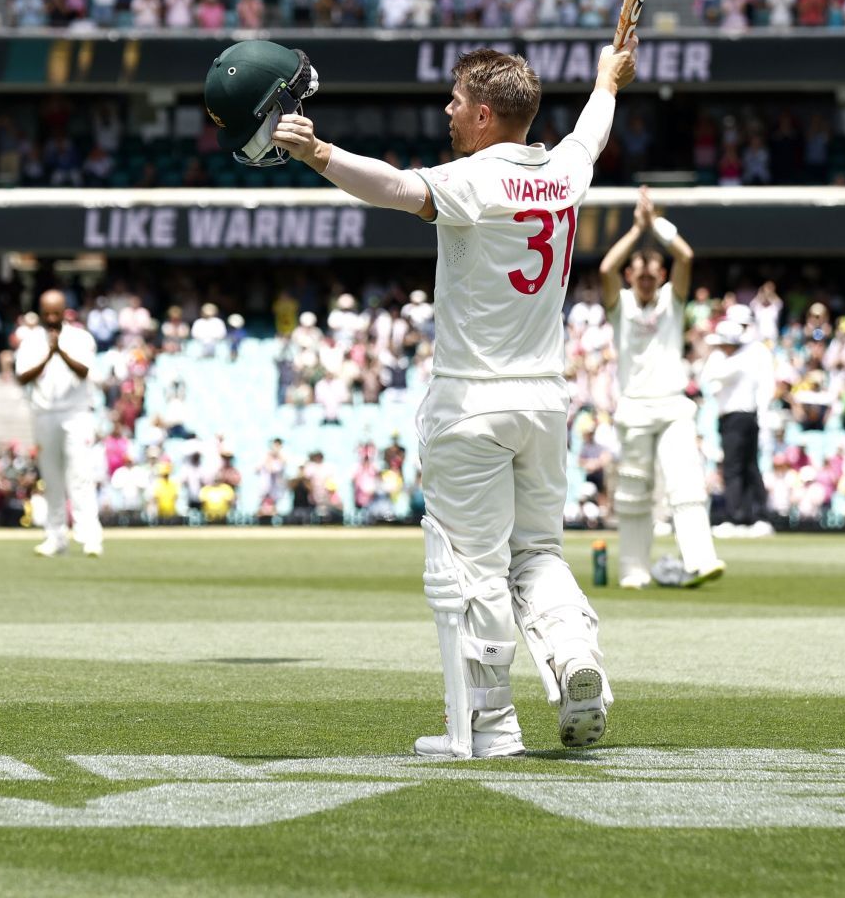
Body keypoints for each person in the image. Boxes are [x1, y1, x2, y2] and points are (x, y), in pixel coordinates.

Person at [267, 38, 631, 758]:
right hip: (544, 403)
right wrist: (607, 81)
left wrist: (319, 154)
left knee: (471, 564)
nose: (448, 111)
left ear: (487, 112)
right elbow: (592, 130)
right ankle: (570, 653)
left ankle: (490, 726)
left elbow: (398, 189)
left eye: (457, 101)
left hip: (471, 400)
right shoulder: (563, 172)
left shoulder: (475, 179)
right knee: (538, 551)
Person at [599, 186, 724, 589]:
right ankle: (633, 570)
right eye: (641, 271)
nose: (649, 277)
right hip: (634, 407)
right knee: (634, 493)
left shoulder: (673, 301)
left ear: (663, 276)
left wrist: (656, 226)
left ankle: (701, 560)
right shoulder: (620, 304)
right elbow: (605, 269)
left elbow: (686, 256)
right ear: (632, 275)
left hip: (672, 405)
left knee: (686, 482)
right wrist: (637, 233)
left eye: (655, 272)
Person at [14, 288, 102, 557]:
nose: (51, 317)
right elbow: (23, 377)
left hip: (76, 413)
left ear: (65, 312)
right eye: (47, 313)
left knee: (80, 475)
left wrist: (59, 351)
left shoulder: (80, 337)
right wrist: (47, 355)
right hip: (44, 413)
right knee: (51, 478)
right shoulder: (30, 340)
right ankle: (55, 537)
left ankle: (89, 536)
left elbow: (84, 371)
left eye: (56, 312)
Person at [699, 305, 775, 537]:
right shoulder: (733, 356)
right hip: (733, 417)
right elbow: (708, 381)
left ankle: (745, 517)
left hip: (741, 417)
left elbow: (715, 376)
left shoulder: (747, 356)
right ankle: (747, 516)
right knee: (742, 467)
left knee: (740, 467)